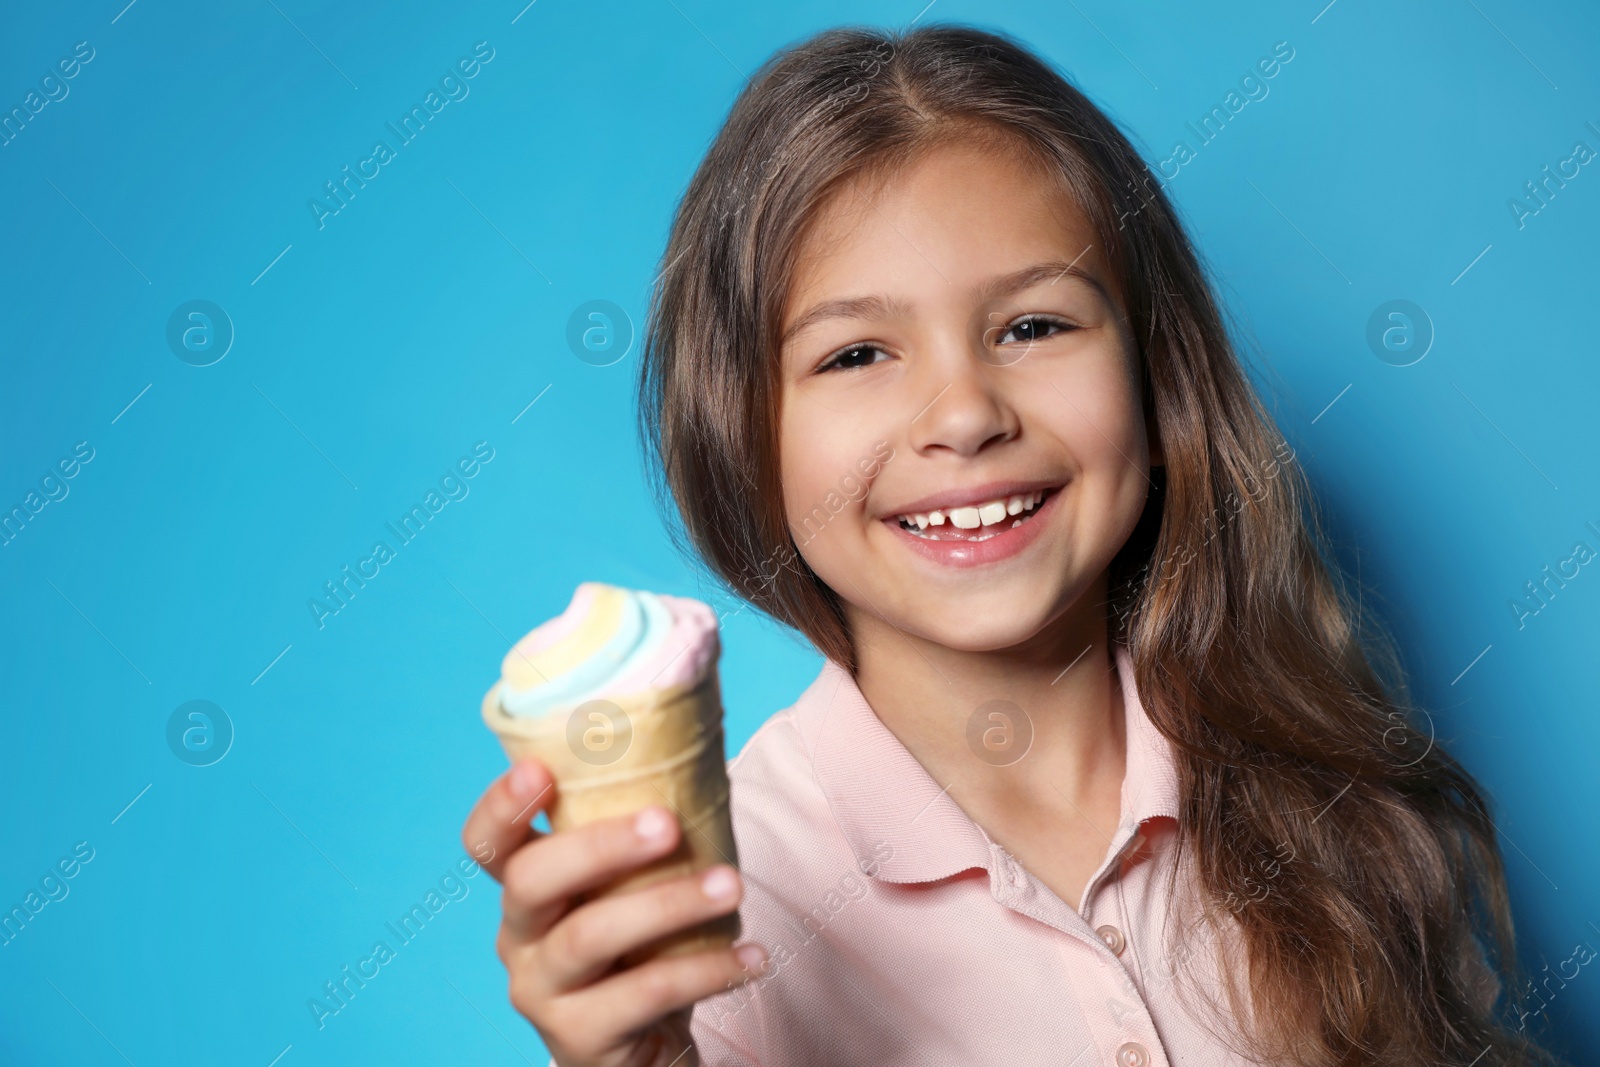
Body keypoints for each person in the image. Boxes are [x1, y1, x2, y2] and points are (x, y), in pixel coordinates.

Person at [461, 24, 1560, 1067]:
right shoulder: (718, 908)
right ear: (746, 440)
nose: (964, 412)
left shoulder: (1339, 800)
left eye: (1033, 325)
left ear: (1155, 381)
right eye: (855, 353)